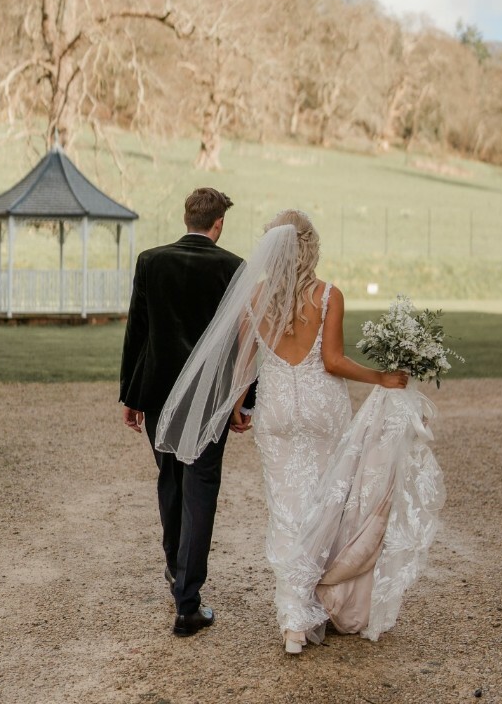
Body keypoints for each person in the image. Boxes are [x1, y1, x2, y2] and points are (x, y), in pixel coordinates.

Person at [156, 209, 445, 654]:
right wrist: (380, 377)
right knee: (325, 505)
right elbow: (332, 361)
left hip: (275, 412)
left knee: (286, 511)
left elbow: (243, 362)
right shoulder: (328, 295)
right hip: (321, 409)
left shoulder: (254, 297)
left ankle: (294, 621)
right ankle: (318, 600)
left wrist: (237, 405)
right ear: (310, 247)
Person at [119, 187, 245, 637]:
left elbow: (139, 331)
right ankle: (187, 603)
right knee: (201, 488)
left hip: (159, 396)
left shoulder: (151, 261)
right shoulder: (234, 268)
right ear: (219, 223)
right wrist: (241, 402)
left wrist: (130, 396)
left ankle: (177, 571)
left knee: (170, 478)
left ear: (187, 217)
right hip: (209, 400)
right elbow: (237, 344)